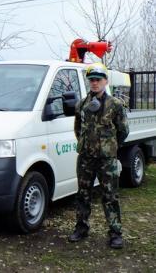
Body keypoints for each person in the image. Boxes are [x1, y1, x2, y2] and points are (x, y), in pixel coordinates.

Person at [68, 63, 129, 249]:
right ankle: (81, 228)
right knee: (83, 194)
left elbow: (123, 131)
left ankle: (115, 233)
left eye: (98, 79)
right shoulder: (82, 104)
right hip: (86, 158)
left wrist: (108, 147)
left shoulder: (115, 105)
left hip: (106, 159)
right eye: (92, 80)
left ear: (105, 81)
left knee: (110, 195)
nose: (94, 83)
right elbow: (78, 128)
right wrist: (86, 144)